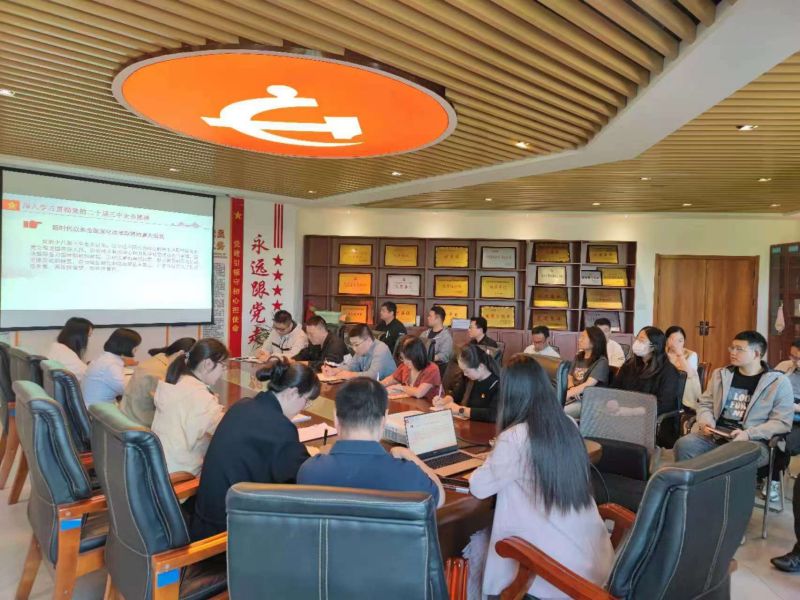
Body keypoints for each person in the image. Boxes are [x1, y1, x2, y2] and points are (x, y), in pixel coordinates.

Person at [469, 355, 614, 599]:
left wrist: (490, 457)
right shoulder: (568, 423)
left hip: (558, 579)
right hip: (596, 565)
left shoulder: (514, 438)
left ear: (511, 394)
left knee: (476, 549)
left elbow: (479, 487)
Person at [190, 358, 320, 540]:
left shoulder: (242, 406)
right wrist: (316, 458)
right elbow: (302, 477)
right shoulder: (279, 427)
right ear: (292, 393)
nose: (304, 408)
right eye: (306, 401)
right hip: (227, 534)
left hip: (204, 519)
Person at [297, 378, 444, 507]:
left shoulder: (309, 470)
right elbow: (440, 498)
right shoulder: (409, 474)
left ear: (335, 417)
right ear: (385, 418)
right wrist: (411, 457)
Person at [673, 331, 793, 469]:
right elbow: (705, 403)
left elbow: (781, 422)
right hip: (717, 435)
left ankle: (709, 481)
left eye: (739, 349)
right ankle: (692, 482)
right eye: (732, 348)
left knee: (729, 456)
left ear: (756, 354)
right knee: (684, 445)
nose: (733, 352)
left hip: (753, 442)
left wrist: (748, 434)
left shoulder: (778, 382)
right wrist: (706, 420)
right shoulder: (721, 374)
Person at [150, 339, 228, 477]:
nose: (224, 370)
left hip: (157, 467)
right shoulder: (199, 395)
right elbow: (224, 430)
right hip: (179, 477)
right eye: (223, 365)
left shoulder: (178, 381)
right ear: (208, 364)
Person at [120, 337, 196, 426]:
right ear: (181, 353)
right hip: (140, 419)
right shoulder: (162, 372)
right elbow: (167, 405)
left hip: (127, 410)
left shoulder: (159, 358)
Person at [611, 326, 681, 415]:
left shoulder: (669, 372)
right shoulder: (629, 364)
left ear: (654, 346)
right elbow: (615, 387)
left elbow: (664, 404)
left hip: (649, 417)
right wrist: (613, 401)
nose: (636, 342)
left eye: (641, 340)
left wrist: (632, 412)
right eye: (637, 338)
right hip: (623, 412)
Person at [764, 339, 800, 502]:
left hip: (796, 419)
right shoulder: (785, 366)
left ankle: (774, 481)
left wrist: (795, 407)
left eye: (798, 358)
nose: (793, 360)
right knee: (755, 431)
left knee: (781, 441)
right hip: (778, 411)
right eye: (792, 356)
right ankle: (757, 474)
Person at [433, 344, 500, 422]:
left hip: (485, 427)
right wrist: (444, 401)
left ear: (480, 367)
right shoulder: (468, 378)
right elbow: (456, 395)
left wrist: (460, 410)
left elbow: (493, 414)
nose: (464, 374)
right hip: (467, 424)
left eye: (467, 371)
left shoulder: (497, 384)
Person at [81, 328, 141, 407]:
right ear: (128, 346)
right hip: (97, 410)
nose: (137, 348)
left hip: (93, 406)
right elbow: (127, 390)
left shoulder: (105, 358)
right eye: (136, 346)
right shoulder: (111, 365)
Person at [321, 324, 396, 380]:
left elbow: (373, 375)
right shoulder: (360, 350)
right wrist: (335, 370)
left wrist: (350, 375)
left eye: (356, 344)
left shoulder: (381, 349)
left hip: (388, 390)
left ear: (368, 340)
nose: (354, 348)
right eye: (352, 345)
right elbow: (351, 367)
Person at [564, 326, 609, 419]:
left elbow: (588, 384)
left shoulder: (601, 361)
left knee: (557, 411)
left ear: (593, 341)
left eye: (583, 337)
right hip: (574, 396)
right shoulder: (578, 356)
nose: (579, 339)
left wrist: (568, 394)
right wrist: (572, 388)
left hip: (590, 402)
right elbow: (570, 376)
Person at [381, 336, 441, 401]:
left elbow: (419, 393)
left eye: (408, 358)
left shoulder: (432, 369)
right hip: (411, 403)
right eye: (402, 358)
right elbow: (392, 379)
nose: (405, 362)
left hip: (430, 405)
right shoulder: (405, 366)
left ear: (417, 355)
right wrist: (379, 385)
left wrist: (400, 388)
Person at [665, 325, 702, 410]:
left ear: (684, 341)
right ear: (666, 340)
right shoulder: (662, 353)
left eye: (680, 341)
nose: (676, 343)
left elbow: (689, 375)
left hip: (681, 392)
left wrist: (680, 355)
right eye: (672, 339)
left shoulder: (691, 354)